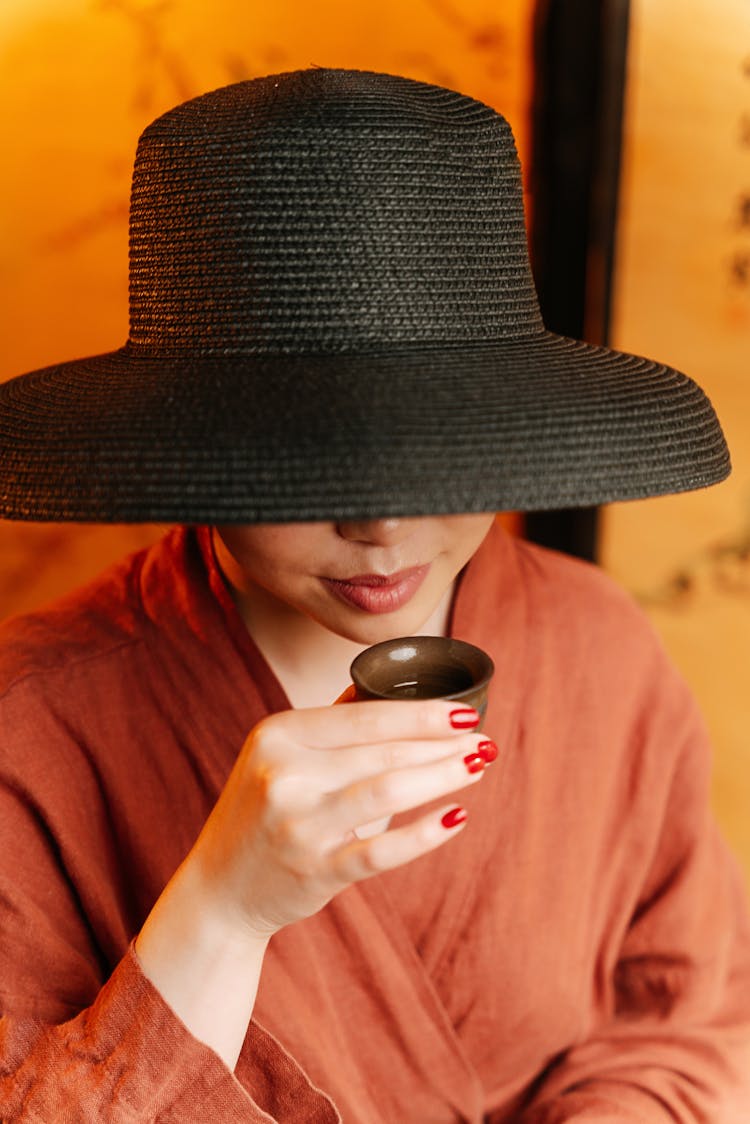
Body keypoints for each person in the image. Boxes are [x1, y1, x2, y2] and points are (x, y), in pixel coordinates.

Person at [0, 67, 748, 1123]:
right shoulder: (31, 722)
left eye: (436, 448)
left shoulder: (597, 645)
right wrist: (224, 903)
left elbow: (687, 1013)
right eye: (304, 465)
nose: (381, 523)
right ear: (196, 447)